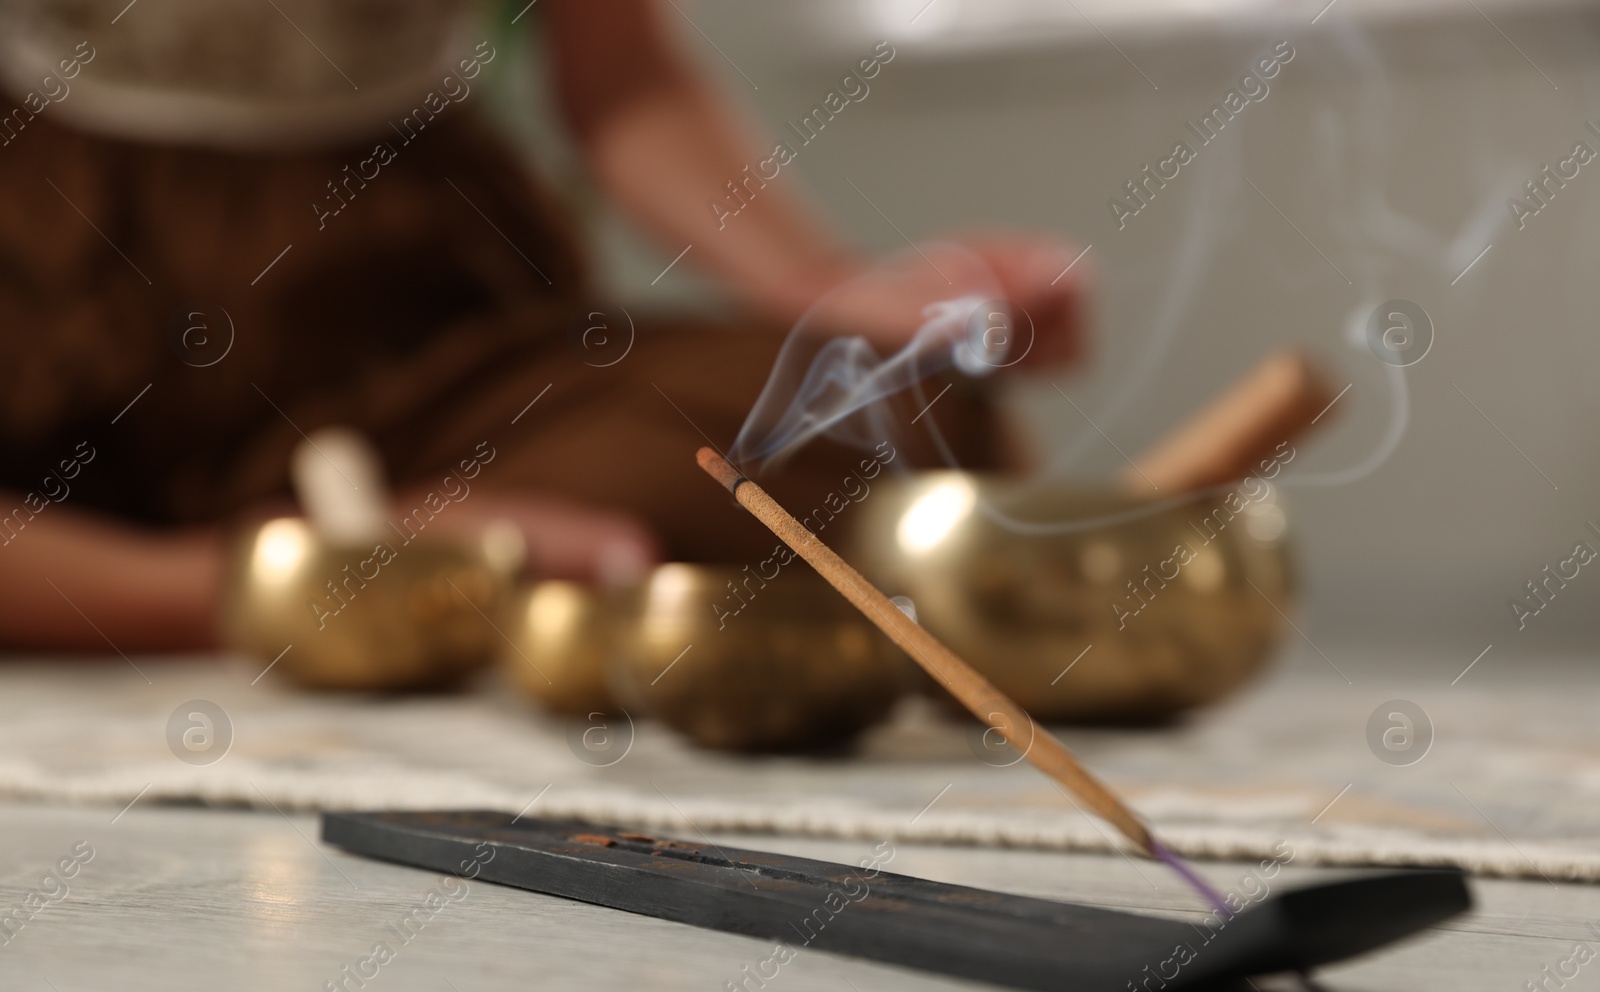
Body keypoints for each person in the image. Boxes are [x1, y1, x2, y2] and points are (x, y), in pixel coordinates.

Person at [0, 0, 1084, 651]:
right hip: (45, 298)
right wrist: (290, 582)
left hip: (407, 312)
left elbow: (624, 78)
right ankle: (229, 589)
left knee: (890, 423)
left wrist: (840, 290)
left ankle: (422, 570)